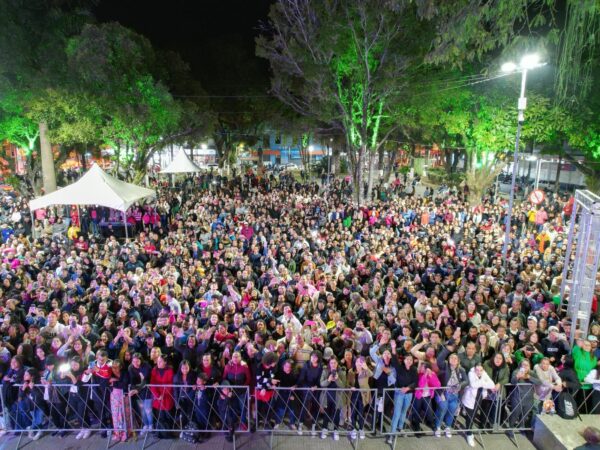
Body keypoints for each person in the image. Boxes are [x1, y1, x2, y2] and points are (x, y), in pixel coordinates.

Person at [461, 364, 495, 447]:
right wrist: (484, 382)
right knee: (470, 417)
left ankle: (468, 431)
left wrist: (481, 383)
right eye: (477, 370)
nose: (479, 372)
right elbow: (473, 385)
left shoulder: (484, 373)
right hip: (469, 398)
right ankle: (469, 434)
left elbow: (492, 385)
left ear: (483, 370)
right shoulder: (471, 373)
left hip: (479, 399)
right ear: (474, 369)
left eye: (481, 370)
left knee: (473, 416)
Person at [435, 352, 468, 438]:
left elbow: (466, 381)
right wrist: (440, 394)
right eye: (451, 358)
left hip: (455, 395)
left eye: (455, 358)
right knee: (442, 409)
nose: (453, 359)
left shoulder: (461, 370)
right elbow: (439, 360)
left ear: (458, 361)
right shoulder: (445, 367)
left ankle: (448, 427)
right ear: (448, 360)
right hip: (444, 393)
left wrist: (460, 385)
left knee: (451, 412)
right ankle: (438, 427)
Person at [387, 353, 417, 443]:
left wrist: (407, 388)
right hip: (399, 393)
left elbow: (415, 382)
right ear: (404, 360)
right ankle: (391, 434)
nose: (409, 361)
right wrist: (393, 349)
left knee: (404, 411)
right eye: (407, 359)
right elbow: (394, 359)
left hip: (409, 394)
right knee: (397, 413)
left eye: (410, 360)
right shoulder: (399, 368)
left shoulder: (414, 369)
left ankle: (400, 428)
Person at [320, 356, 347, 441]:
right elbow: (321, 384)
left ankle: (336, 430)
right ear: (329, 363)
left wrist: (337, 379)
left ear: (337, 363)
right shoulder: (325, 371)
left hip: (337, 397)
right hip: (326, 397)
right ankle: (325, 429)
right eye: (331, 363)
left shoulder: (341, 372)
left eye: (335, 363)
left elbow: (343, 386)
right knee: (326, 414)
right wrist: (328, 380)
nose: (333, 365)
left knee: (336, 415)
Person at [150, 355, 175, 438]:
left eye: (160, 361)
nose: (158, 362)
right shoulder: (154, 370)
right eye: (158, 361)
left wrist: (162, 394)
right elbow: (152, 384)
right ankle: (160, 433)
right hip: (157, 398)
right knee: (159, 417)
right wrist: (157, 395)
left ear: (165, 362)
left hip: (167, 397)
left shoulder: (170, 370)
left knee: (168, 416)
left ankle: (169, 433)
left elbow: (170, 384)